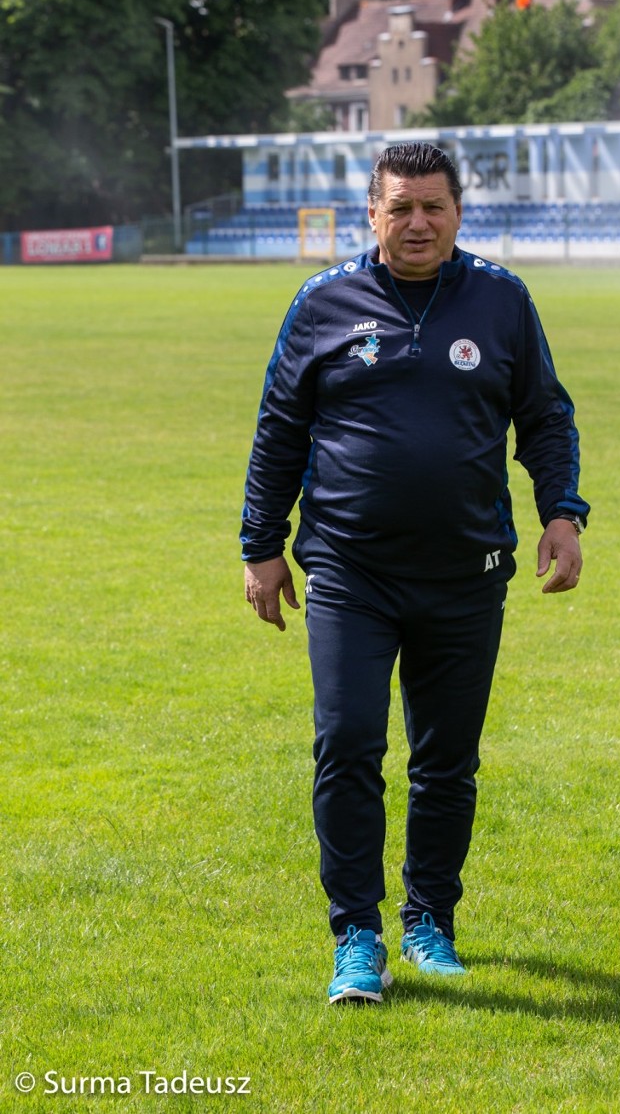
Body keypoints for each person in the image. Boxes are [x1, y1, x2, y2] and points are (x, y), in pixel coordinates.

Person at [241, 142, 590, 1005]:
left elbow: (544, 415)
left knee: (446, 762)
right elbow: (279, 427)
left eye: (433, 207)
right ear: (372, 215)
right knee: (348, 745)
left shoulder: (502, 300)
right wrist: (260, 545)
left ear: (458, 213)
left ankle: (429, 918)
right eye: (400, 208)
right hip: (351, 572)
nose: (418, 223)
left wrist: (562, 512)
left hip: (468, 575)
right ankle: (357, 935)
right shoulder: (324, 303)